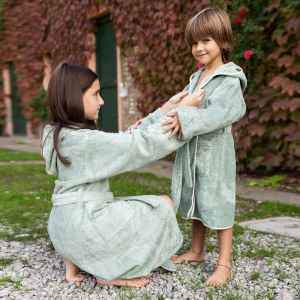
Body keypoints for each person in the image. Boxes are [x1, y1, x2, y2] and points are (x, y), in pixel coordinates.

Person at [42, 62, 204, 288]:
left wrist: (165, 109)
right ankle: (111, 270)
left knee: (143, 206)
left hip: (62, 227)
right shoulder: (85, 140)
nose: (102, 101)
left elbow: (124, 139)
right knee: (164, 205)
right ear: (74, 96)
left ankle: (73, 258)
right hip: (83, 225)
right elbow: (137, 144)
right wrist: (183, 113)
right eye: (96, 94)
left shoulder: (61, 134)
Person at [133, 7, 247, 287]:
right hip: (192, 150)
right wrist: (148, 122)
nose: (198, 48)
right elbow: (176, 105)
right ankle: (196, 251)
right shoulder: (196, 78)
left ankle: (224, 264)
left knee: (218, 202)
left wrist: (185, 116)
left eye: (206, 40)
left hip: (215, 153)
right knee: (197, 198)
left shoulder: (230, 80)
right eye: (194, 43)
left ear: (223, 41)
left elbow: (221, 114)